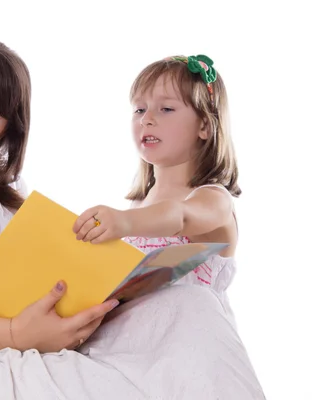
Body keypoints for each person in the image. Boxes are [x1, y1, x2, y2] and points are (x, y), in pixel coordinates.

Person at [0, 42, 266, 399]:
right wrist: (12, 332)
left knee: (180, 321)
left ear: (2, 138)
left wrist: (69, 322)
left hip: (34, 362)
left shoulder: (9, 210)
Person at [74, 55, 239, 302]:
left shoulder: (214, 200)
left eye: (166, 109)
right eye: (139, 109)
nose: (146, 119)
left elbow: (180, 217)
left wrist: (123, 222)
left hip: (188, 337)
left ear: (204, 125)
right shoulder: (137, 207)